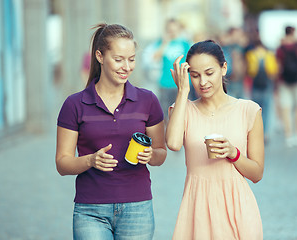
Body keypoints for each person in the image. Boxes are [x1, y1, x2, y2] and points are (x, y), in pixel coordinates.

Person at [55, 23, 167, 240]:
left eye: (131, 59)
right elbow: (62, 163)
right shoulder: (74, 104)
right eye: (118, 59)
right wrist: (90, 161)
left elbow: (161, 152)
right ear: (99, 56)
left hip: (138, 208)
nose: (126, 66)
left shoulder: (148, 101)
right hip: (90, 210)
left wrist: (151, 155)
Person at [166, 40, 264, 239]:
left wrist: (233, 153)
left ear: (224, 68)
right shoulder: (183, 110)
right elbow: (174, 144)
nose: (202, 82)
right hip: (197, 210)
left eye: (209, 73)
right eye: (195, 75)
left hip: (238, 210)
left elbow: (257, 173)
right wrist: (182, 91)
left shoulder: (248, 110)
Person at [276, 26, 297, 147]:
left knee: (286, 108)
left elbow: (278, 66)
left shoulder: (280, 47)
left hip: (283, 81)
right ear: (293, 32)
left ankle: (288, 136)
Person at [153, 18, 193, 116]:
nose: (172, 33)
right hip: (165, 84)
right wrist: (165, 42)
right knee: (165, 113)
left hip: (183, 83)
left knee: (184, 113)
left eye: (174, 30)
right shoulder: (161, 43)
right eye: (170, 30)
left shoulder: (185, 43)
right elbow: (155, 58)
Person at [246, 39, 278, 141]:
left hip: (255, 85)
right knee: (266, 110)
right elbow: (273, 71)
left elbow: (250, 71)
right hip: (267, 85)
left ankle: (256, 133)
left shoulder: (251, 54)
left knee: (256, 111)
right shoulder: (269, 55)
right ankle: (265, 133)